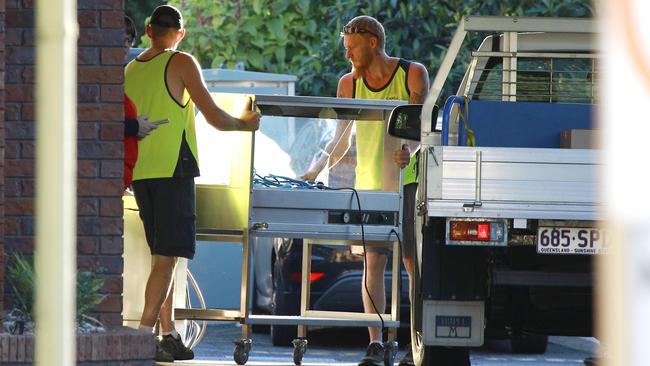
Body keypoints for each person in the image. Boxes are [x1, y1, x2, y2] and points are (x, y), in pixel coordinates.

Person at [124, 5, 260, 362]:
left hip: (141, 173)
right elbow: (214, 116)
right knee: (167, 258)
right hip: (173, 170)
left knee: (161, 258)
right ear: (180, 34)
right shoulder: (181, 62)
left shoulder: (129, 70)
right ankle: (143, 337)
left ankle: (167, 334)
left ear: (148, 31)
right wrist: (247, 123)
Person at [302, 15, 429, 366]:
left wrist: (410, 151)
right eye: (346, 49)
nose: (348, 56)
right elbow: (341, 138)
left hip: (408, 182)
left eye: (352, 48)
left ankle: (414, 344)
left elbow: (420, 128)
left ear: (372, 42)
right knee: (373, 262)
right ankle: (375, 343)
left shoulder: (412, 73)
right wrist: (314, 170)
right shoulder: (348, 84)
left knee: (411, 262)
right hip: (369, 185)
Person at [122, 15, 165, 191]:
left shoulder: (116, 76)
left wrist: (137, 127)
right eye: (119, 38)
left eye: (128, 40)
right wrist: (134, 127)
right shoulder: (97, 78)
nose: (125, 45)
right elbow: (93, 123)